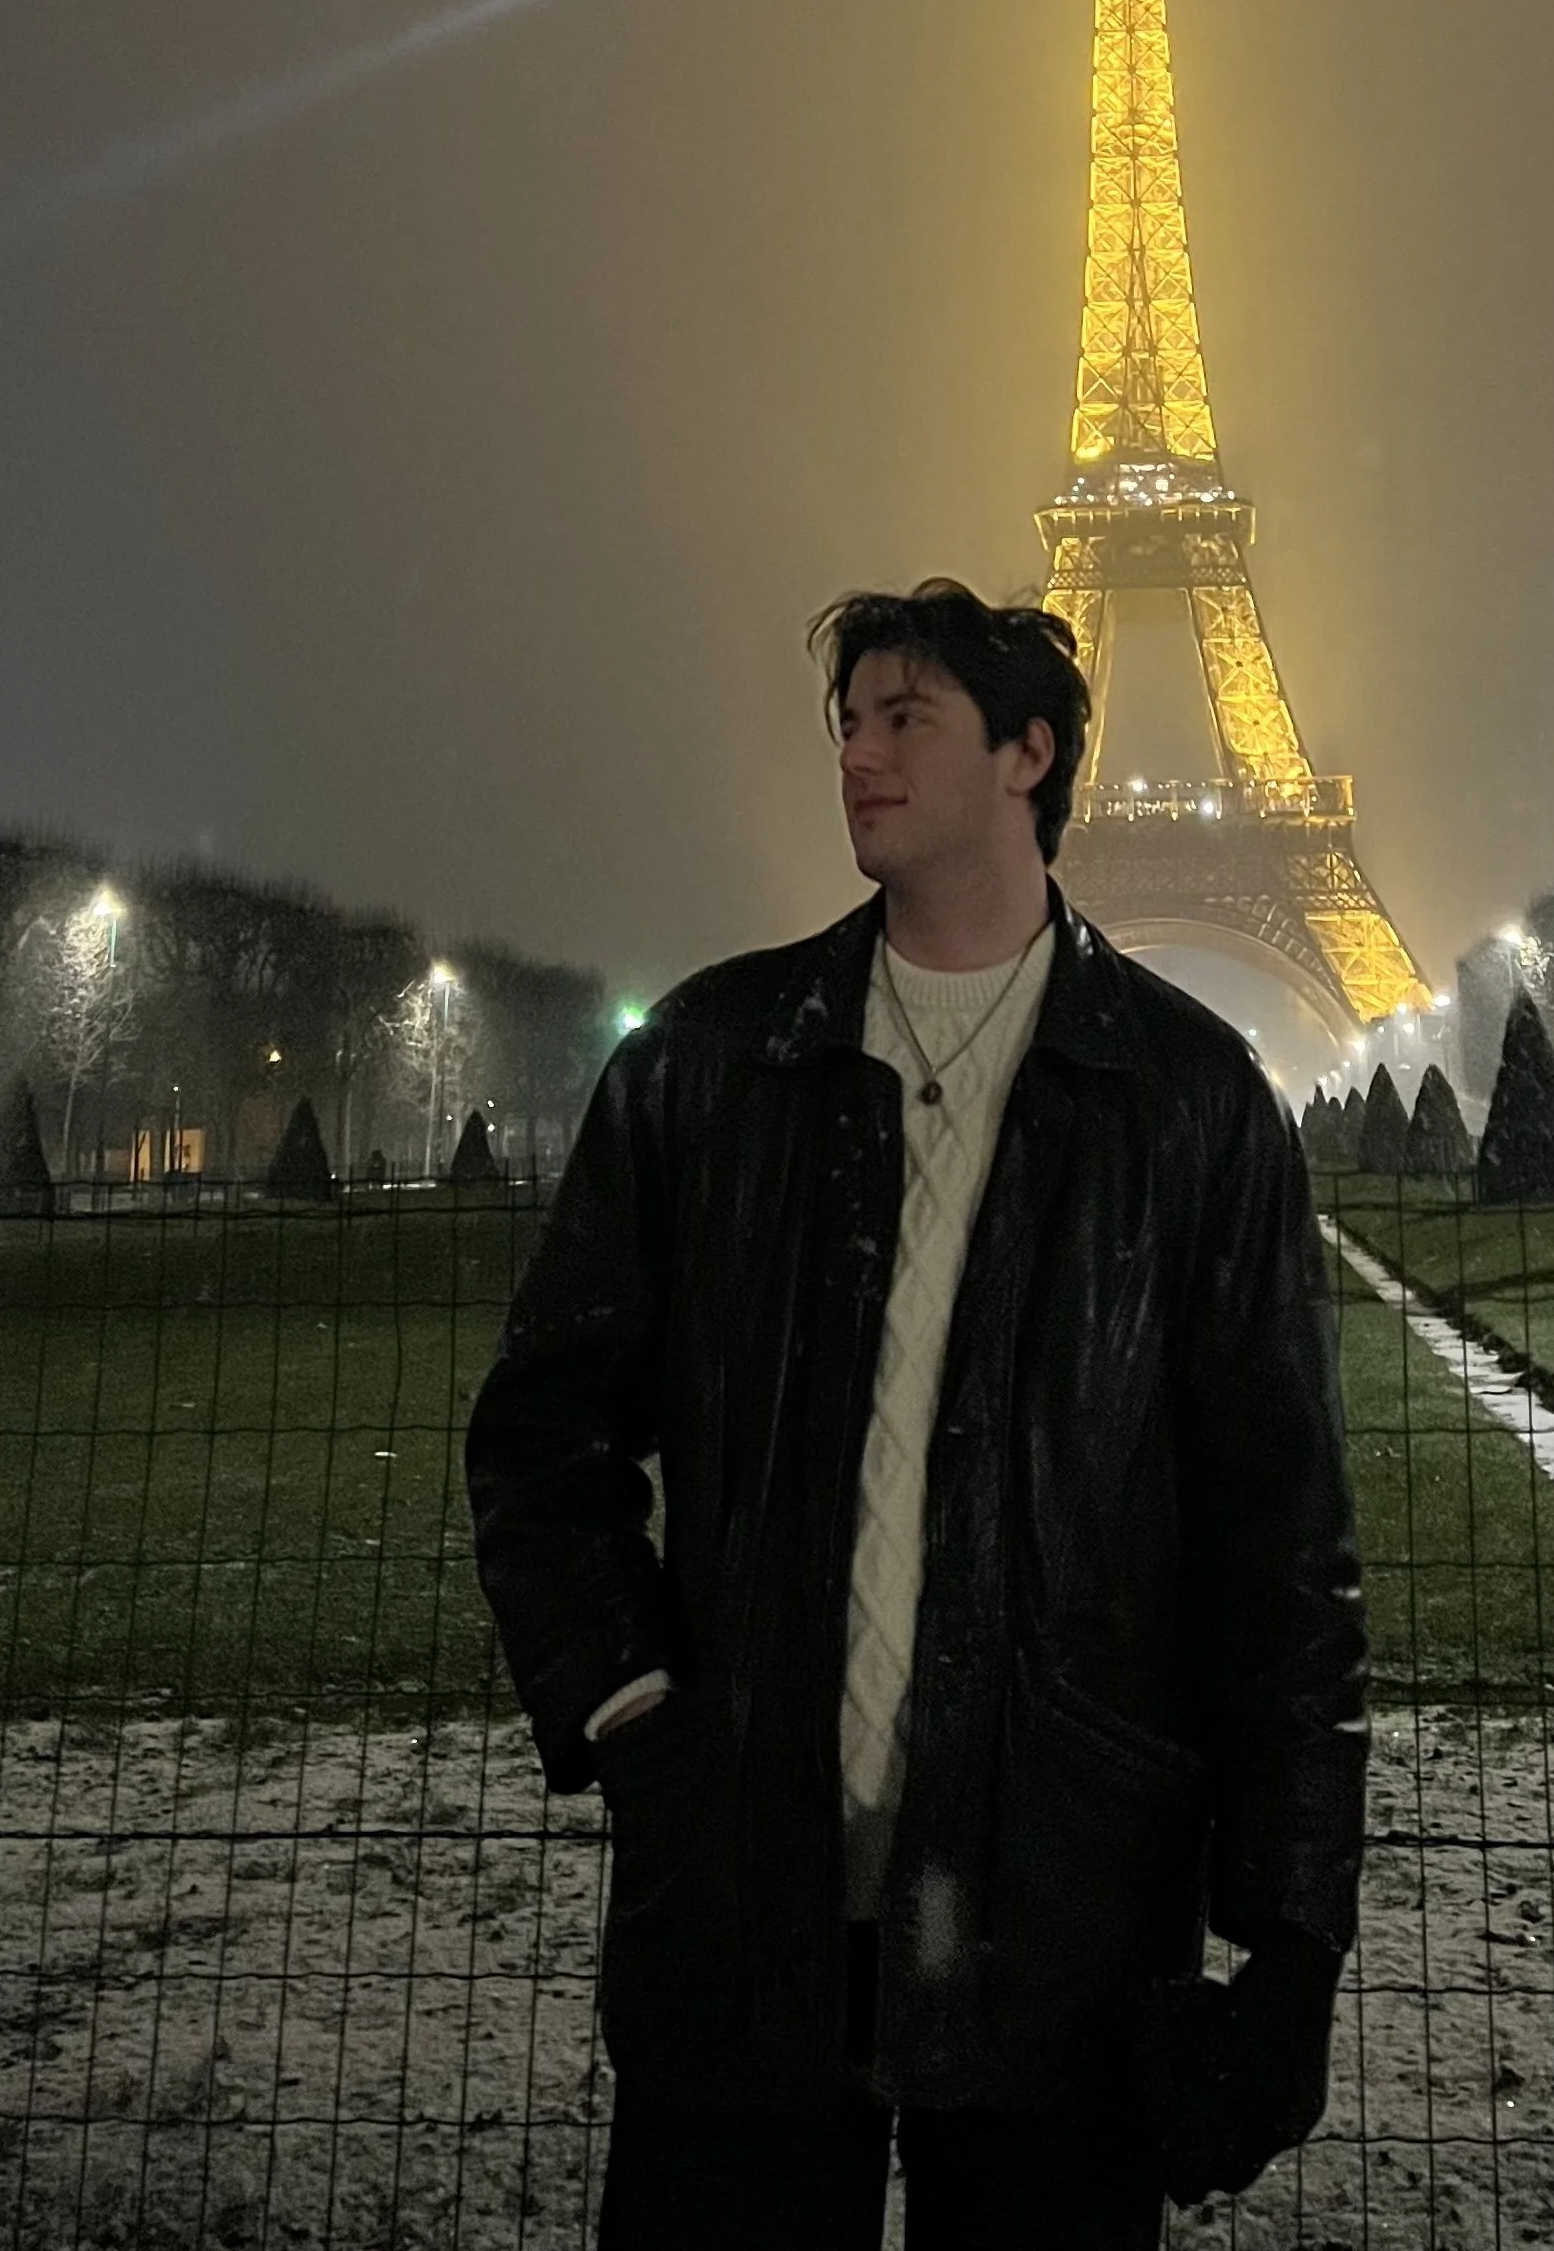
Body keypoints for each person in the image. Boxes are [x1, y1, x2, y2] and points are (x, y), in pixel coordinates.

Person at [466, 579, 1366, 2247]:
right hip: (742, 1883)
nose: (859, 756)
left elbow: (1279, 1536)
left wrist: (1296, 1937)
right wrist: (628, 1708)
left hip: (1065, 1913)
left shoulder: (1193, 1104)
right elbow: (543, 1428)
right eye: (848, 724)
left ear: (1030, 752)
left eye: (906, 720)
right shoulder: (704, 1065)